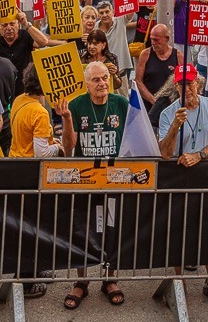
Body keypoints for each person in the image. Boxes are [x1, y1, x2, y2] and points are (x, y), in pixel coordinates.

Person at [156, 63, 208, 310]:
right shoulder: (168, 113)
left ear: (198, 84)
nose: (186, 88)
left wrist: (199, 155)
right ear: (175, 86)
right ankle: (179, 280)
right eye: (181, 84)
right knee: (178, 227)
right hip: (179, 177)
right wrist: (175, 126)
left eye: (189, 83)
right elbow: (165, 153)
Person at [58, 61, 129, 309]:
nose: (102, 83)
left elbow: (133, 136)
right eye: (96, 79)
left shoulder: (120, 103)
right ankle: (82, 281)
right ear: (86, 83)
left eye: (105, 78)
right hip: (85, 177)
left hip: (114, 178)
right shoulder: (77, 105)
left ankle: (110, 278)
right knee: (83, 229)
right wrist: (68, 119)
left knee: (112, 228)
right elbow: (69, 147)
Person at [9, 64, 63, 158]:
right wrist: (57, 148)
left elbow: (25, 135)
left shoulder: (19, 100)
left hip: (14, 159)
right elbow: (42, 153)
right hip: (30, 164)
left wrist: (49, 140)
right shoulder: (40, 113)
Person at [135, 23, 183, 110]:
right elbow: (138, 81)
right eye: (151, 39)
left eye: (156, 40)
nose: (153, 43)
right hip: (149, 104)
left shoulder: (178, 56)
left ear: (166, 39)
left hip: (171, 106)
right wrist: (153, 101)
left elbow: (183, 82)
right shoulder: (145, 54)